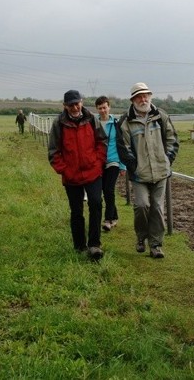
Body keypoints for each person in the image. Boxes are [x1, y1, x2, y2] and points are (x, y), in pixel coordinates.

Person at [117, 82, 179, 259]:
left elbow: (172, 140)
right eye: (139, 96)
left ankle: (156, 245)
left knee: (158, 208)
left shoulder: (161, 116)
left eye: (145, 95)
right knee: (142, 206)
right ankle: (141, 237)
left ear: (150, 96)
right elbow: (124, 148)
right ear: (133, 100)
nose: (143, 99)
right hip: (139, 174)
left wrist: (167, 160)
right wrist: (134, 167)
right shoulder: (125, 121)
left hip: (161, 172)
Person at [47, 89, 108, 261]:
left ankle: (95, 245)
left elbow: (102, 141)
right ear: (65, 106)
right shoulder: (59, 124)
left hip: (92, 171)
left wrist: (98, 163)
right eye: (71, 105)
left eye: (77, 103)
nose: (75, 107)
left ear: (82, 102)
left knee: (96, 203)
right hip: (71, 175)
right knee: (76, 211)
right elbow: (53, 151)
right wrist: (64, 170)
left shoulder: (91, 119)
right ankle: (80, 246)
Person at [94, 95, 124, 232]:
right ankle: (115, 216)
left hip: (114, 161)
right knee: (104, 190)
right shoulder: (94, 124)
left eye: (104, 107)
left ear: (109, 107)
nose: (102, 110)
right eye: (100, 108)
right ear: (97, 109)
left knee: (108, 189)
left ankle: (107, 220)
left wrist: (123, 166)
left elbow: (121, 145)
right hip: (100, 162)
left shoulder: (116, 124)